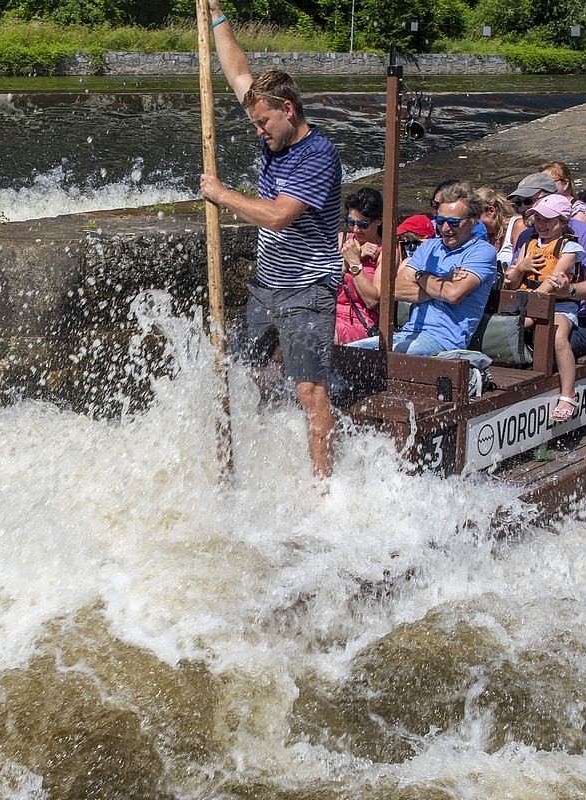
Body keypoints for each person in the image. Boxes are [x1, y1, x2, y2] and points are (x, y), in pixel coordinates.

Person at [198, 0, 341, 479]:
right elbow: (237, 70)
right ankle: (249, 460)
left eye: (263, 122)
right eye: (255, 123)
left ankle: (324, 487)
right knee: (239, 374)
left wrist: (221, 195)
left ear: (288, 109)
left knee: (308, 389)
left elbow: (278, 216)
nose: (258, 131)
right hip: (267, 284)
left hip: (309, 287)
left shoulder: (318, 155)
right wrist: (215, 13)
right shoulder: (270, 132)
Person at [348, 182, 498, 356]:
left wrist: (419, 276)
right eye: (441, 221)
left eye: (454, 222)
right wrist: (441, 282)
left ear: (472, 222)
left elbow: (453, 294)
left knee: (377, 357)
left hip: (444, 340)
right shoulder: (430, 247)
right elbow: (395, 289)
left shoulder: (482, 251)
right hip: (409, 332)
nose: (446, 228)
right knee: (347, 353)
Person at [503, 171, 586, 362]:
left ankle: (564, 390)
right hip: (527, 311)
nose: (523, 209)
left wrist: (568, 290)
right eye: (518, 204)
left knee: (547, 338)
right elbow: (511, 284)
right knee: (497, 335)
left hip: (574, 319)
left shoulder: (583, 233)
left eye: (528, 201)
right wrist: (517, 271)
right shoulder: (527, 237)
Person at [502, 194, 586, 421]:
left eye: (547, 220)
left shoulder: (571, 248)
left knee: (558, 337)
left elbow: (555, 278)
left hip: (558, 306)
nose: (541, 225)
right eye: (537, 219)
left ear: (563, 221)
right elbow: (509, 283)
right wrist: (521, 267)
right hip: (526, 303)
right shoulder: (528, 244)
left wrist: (532, 299)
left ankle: (568, 394)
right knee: (504, 328)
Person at [336, 188, 383, 345]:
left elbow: (372, 300)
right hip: (329, 314)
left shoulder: (386, 252)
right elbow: (323, 284)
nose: (355, 229)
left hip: (361, 321)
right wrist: (349, 260)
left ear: (379, 220)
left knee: (318, 336)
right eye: (351, 222)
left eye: (362, 224)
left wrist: (355, 263)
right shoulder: (342, 240)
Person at [539, 161, 586, 225]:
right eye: (541, 183)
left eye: (550, 183)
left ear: (565, 184)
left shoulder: (579, 213)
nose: (544, 187)